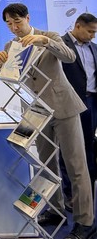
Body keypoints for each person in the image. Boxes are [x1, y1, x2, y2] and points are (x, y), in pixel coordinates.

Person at [0, 3, 94, 238]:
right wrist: (0, 64)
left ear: (27, 18)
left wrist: (44, 41)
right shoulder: (11, 46)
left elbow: (69, 57)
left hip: (64, 107)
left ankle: (85, 221)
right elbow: (8, 75)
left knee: (76, 165)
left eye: (17, 22)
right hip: (37, 111)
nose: (14, 27)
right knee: (46, 165)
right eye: (9, 24)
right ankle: (54, 209)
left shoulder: (50, 36)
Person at [61, 13, 97, 193]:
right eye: (90, 31)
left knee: (90, 145)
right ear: (77, 26)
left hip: (92, 102)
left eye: (95, 32)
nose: (93, 35)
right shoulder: (60, 45)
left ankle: (88, 190)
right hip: (71, 103)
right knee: (69, 148)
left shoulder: (94, 48)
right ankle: (70, 193)